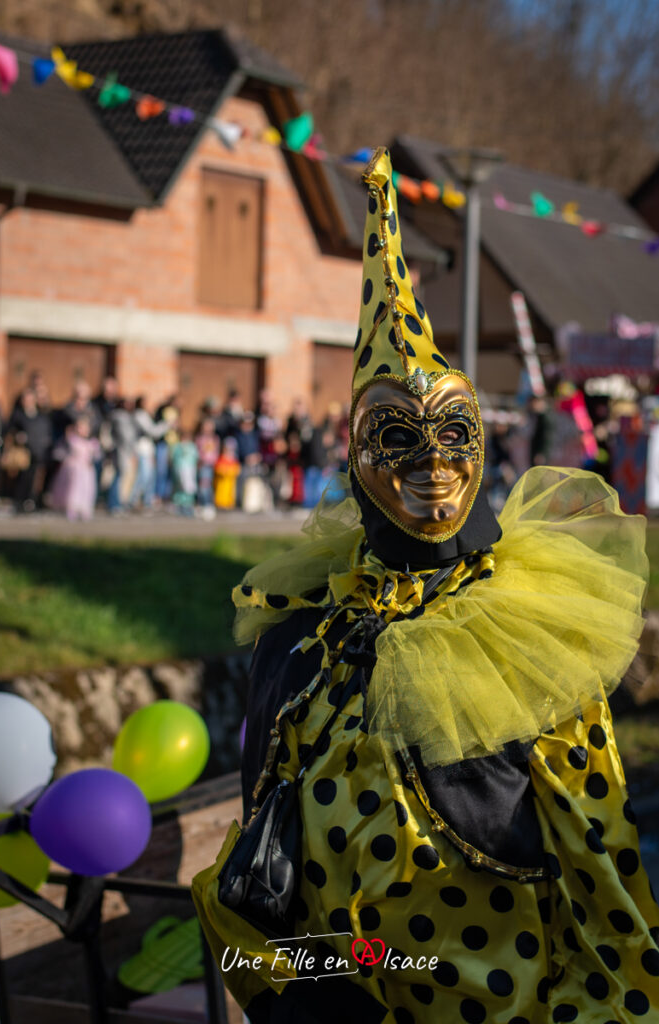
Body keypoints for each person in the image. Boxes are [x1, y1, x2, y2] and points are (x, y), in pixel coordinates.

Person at [193, 148, 659, 1023]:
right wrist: (308, 1000)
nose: (434, 466)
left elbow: (603, 888)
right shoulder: (302, 642)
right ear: (354, 457)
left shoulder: (531, 636)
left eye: (453, 430)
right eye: (397, 437)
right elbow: (258, 872)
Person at [50, 416, 100, 520]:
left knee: (86, 489)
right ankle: (71, 508)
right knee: (73, 488)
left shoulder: (92, 442)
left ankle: (84, 508)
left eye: (85, 428)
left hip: (86, 470)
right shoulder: (72, 440)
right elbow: (60, 452)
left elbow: (96, 456)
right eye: (80, 427)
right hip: (74, 469)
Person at [214, 437, 241, 510]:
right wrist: (226, 471)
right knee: (221, 494)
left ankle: (230, 504)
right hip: (222, 483)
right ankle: (221, 505)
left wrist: (230, 472)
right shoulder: (221, 458)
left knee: (231, 494)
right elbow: (218, 469)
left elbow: (237, 469)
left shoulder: (234, 460)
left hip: (231, 483)